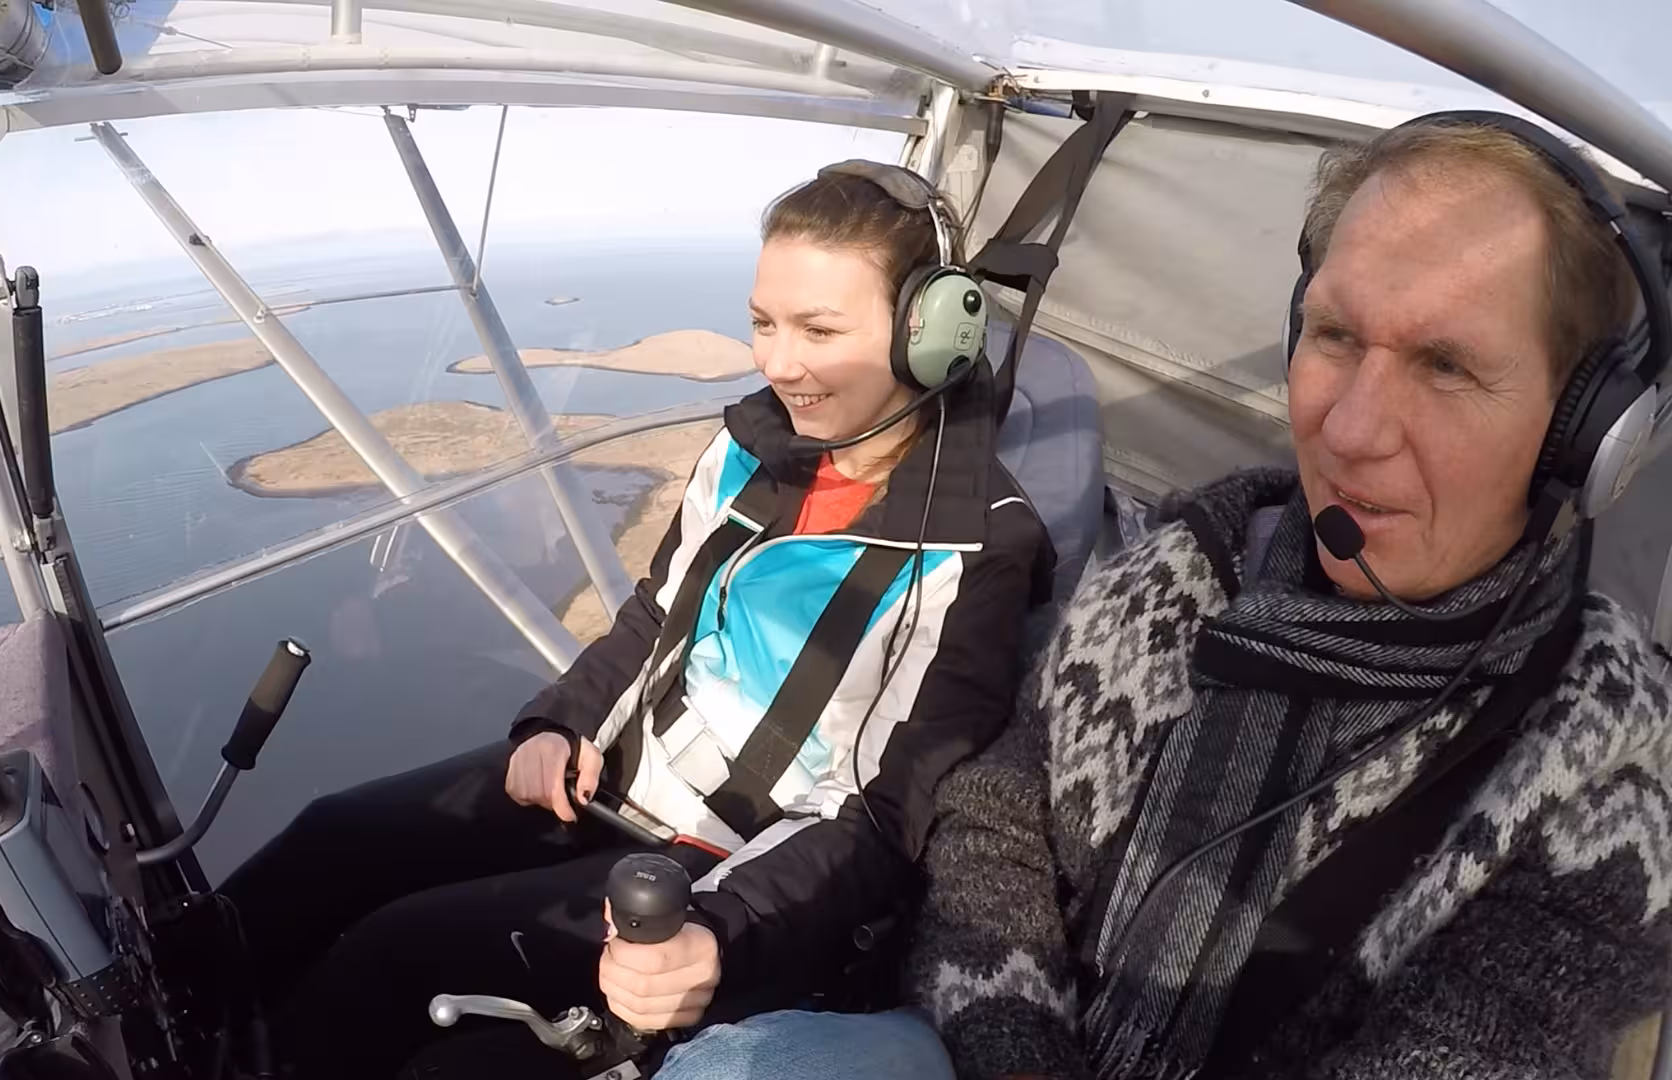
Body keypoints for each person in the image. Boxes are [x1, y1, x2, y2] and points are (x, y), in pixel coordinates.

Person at [653, 114, 1672, 1080]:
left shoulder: (1614, 753)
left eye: (1446, 365)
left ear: (1585, 434)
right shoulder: (1188, 566)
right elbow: (997, 816)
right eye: (1334, 339)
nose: (1352, 432)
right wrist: (1019, 1051)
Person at [216, 160, 1055, 1077]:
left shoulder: (975, 549)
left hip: (737, 866)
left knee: (391, 957)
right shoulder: (749, 452)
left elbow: (889, 815)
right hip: (619, 775)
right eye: (764, 323)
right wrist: (561, 719)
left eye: (820, 329)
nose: (779, 362)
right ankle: (154, 1016)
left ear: (928, 335)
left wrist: (720, 933)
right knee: (334, 837)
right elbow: (656, 615)